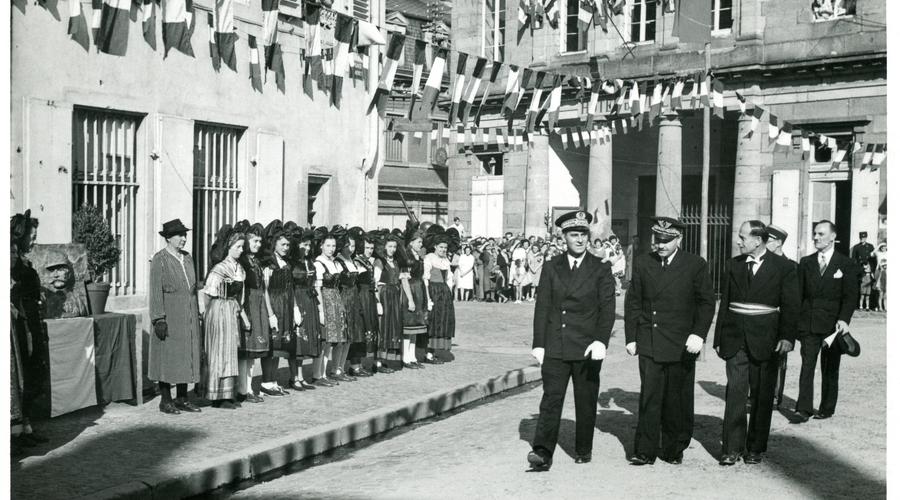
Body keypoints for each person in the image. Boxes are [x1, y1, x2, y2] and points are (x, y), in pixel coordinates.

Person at [527, 210, 616, 470]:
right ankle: (542, 452)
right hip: (556, 344)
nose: (579, 240)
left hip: (587, 346)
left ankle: (583, 448)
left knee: (586, 399)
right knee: (551, 400)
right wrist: (539, 343)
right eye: (574, 235)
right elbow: (542, 306)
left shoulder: (600, 268)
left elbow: (607, 308)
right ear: (563, 237)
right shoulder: (552, 266)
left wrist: (601, 341)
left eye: (583, 234)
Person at [624, 216, 716, 465]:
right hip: (651, 340)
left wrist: (699, 333)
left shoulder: (695, 264)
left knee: (677, 398)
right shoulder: (644, 263)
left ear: (679, 239)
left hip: (682, 342)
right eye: (658, 240)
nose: (661, 245)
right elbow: (633, 302)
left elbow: (706, 302)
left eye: (667, 240)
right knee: (650, 396)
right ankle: (645, 450)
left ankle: (674, 447)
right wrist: (631, 337)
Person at [713, 221, 800, 465]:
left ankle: (755, 448)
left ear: (758, 240)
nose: (738, 241)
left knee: (762, 396)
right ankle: (731, 448)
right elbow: (725, 304)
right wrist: (719, 337)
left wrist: (786, 337)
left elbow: (791, 307)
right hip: (735, 338)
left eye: (742, 237)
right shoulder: (733, 265)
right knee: (735, 393)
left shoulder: (784, 267)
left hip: (767, 340)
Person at [794, 220, 859, 422]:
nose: (816, 237)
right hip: (809, 324)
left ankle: (826, 408)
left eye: (821, 234)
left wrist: (844, 320)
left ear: (833, 237)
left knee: (830, 368)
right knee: (807, 365)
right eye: (814, 234)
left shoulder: (846, 264)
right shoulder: (806, 262)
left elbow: (850, 296)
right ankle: (803, 409)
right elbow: (798, 295)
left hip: (833, 327)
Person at [148, 219, 204, 414]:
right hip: (170, 315)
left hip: (188, 315)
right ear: (168, 238)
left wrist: (198, 310)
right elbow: (155, 290)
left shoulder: (187, 258)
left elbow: (193, 289)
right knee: (167, 357)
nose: (183, 239)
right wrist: (158, 318)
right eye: (179, 235)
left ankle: (182, 398)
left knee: (186, 356)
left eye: (184, 235)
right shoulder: (159, 259)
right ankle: (165, 400)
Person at [10, 210, 49, 447]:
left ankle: (26, 426)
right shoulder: (13, 263)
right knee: (21, 375)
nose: (34, 241)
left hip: (31, 321)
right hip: (19, 325)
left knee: (32, 373)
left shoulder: (23, 261)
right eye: (32, 237)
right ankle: (16, 432)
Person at [199, 229, 249, 409]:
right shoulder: (219, 269)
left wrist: (242, 316)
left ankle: (228, 394)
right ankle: (216, 396)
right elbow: (207, 295)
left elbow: (239, 297)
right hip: (218, 310)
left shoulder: (240, 269)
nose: (241, 250)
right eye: (238, 246)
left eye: (242, 247)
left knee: (230, 352)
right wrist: (208, 315)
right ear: (229, 246)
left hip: (231, 311)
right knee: (218, 352)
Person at [235, 222, 270, 403]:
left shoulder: (256, 261)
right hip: (247, 305)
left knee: (253, 351)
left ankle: (248, 387)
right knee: (245, 351)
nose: (258, 245)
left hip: (258, 305)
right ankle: (242, 389)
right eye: (255, 241)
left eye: (260, 242)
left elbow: (263, 288)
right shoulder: (242, 262)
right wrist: (242, 313)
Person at [765, 224, 797, 409]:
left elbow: (793, 302)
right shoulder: (760, 263)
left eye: (767, 240)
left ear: (778, 243)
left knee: (778, 360)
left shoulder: (791, 266)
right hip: (762, 320)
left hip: (779, 320)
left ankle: (775, 395)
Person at [260, 223, 294, 396]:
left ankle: (273, 380)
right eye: (283, 245)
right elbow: (264, 289)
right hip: (273, 303)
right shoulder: (269, 264)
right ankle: (266, 381)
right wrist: (270, 313)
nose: (286, 248)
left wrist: (293, 307)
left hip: (285, 304)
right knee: (272, 346)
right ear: (275, 244)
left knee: (280, 345)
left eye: (288, 245)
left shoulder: (285, 262)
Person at [312, 227, 347, 387]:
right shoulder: (318, 263)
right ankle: (317, 374)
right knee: (324, 339)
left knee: (332, 340)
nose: (331, 249)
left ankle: (325, 372)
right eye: (328, 245)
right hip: (325, 301)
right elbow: (317, 288)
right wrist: (320, 310)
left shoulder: (334, 263)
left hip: (335, 300)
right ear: (321, 246)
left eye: (333, 246)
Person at [287, 227, 321, 390]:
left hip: (309, 300)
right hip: (297, 300)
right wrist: (294, 308)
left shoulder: (310, 262)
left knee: (305, 342)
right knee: (297, 341)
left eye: (309, 245)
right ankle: (293, 376)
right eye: (304, 245)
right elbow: (290, 286)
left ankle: (300, 375)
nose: (307, 248)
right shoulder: (292, 263)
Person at [423, 226, 456, 362]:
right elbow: (425, 279)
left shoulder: (446, 261)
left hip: (444, 294)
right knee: (432, 322)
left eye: (445, 248)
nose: (443, 250)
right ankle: (428, 353)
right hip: (433, 292)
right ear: (435, 246)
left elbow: (449, 279)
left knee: (442, 321)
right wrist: (428, 299)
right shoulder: (429, 258)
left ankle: (435, 351)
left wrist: (450, 294)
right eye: (441, 247)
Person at [349, 230, 378, 378]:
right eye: (367, 248)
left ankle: (359, 363)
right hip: (360, 296)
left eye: (372, 248)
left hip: (369, 296)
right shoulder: (356, 261)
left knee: (367, 328)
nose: (369, 251)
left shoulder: (368, 261)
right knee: (359, 329)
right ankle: (354, 365)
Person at [376, 232, 405, 373]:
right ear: (384, 247)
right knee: (383, 327)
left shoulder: (396, 262)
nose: (392, 249)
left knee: (392, 326)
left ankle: (387, 359)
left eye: (394, 246)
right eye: (390, 246)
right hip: (384, 295)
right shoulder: (380, 262)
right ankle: (378, 362)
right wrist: (377, 301)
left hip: (394, 296)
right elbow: (375, 282)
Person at [404, 224, 428, 368]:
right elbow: (405, 278)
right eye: (419, 242)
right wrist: (410, 299)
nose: (421, 244)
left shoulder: (417, 256)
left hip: (419, 289)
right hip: (411, 291)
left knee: (416, 326)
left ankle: (412, 356)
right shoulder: (407, 257)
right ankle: (406, 357)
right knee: (408, 326)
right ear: (411, 242)